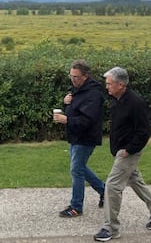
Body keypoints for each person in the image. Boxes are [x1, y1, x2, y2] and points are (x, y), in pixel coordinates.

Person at [94, 67, 151, 242]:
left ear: (121, 85)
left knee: (112, 186)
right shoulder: (116, 99)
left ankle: (111, 229)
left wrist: (128, 150)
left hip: (129, 152)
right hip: (120, 150)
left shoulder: (136, 103)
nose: (107, 87)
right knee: (135, 180)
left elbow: (144, 132)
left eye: (109, 84)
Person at [54, 60, 105, 218]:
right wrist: (66, 102)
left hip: (86, 137)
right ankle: (105, 191)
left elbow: (87, 120)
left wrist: (66, 120)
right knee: (80, 168)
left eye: (76, 77)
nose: (73, 79)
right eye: (71, 76)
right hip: (75, 136)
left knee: (76, 170)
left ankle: (76, 207)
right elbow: (74, 109)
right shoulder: (77, 90)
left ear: (85, 76)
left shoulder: (93, 94)